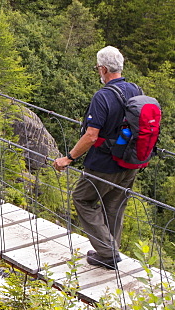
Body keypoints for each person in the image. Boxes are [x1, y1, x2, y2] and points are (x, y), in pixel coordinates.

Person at [53, 46, 142, 270]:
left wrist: (69, 158)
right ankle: (110, 250)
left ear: (103, 69)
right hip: (131, 161)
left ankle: (108, 252)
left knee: (83, 198)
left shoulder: (103, 96)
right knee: (114, 204)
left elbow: (91, 135)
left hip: (104, 163)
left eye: (97, 69)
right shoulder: (135, 90)